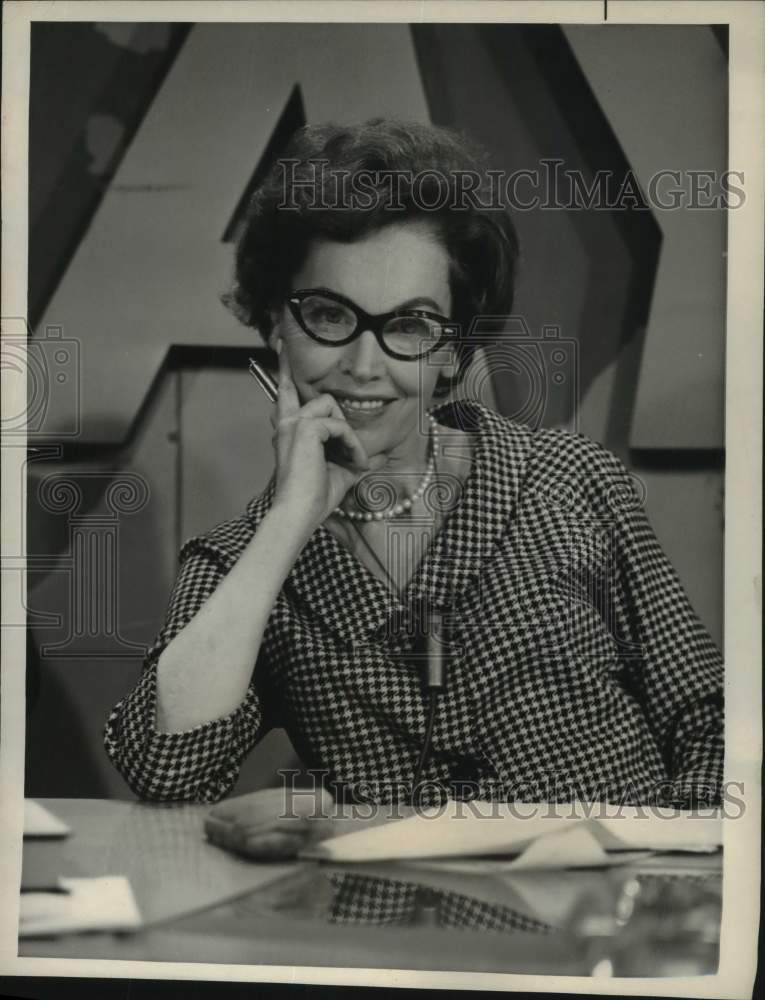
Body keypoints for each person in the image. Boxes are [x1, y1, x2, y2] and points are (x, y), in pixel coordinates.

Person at [104, 119, 723, 833]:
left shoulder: (567, 477)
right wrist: (286, 523)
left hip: (608, 915)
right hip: (403, 931)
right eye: (329, 315)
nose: (365, 366)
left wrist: (673, 889)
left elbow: (705, 724)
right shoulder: (239, 563)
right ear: (278, 326)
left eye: (410, 326)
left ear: (454, 354)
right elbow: (167, 771)